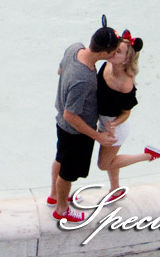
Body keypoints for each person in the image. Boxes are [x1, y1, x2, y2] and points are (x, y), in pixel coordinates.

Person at [48, 26, 120, 223]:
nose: (115, 53)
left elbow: (60, 70)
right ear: (104, 53)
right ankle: (62, 209)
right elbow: (71, 115)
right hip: (75, 132)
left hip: (61, 126)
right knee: (67, 173)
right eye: (113, 51)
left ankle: (54, 196)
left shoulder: (74, 48)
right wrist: (97, 136)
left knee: (60, 159)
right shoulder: (85, 79)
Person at [95, 31, 160, 197]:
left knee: (104, 164)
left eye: (118, 52)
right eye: (114, 49)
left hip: (115, 126)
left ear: (126, 59)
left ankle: (148, 155)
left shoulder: (125, 85)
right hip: (103, 122)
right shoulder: (106, 64)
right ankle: (115, 190)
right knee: (111, 160)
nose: (113, 52)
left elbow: (126, 113)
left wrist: (113, 125)